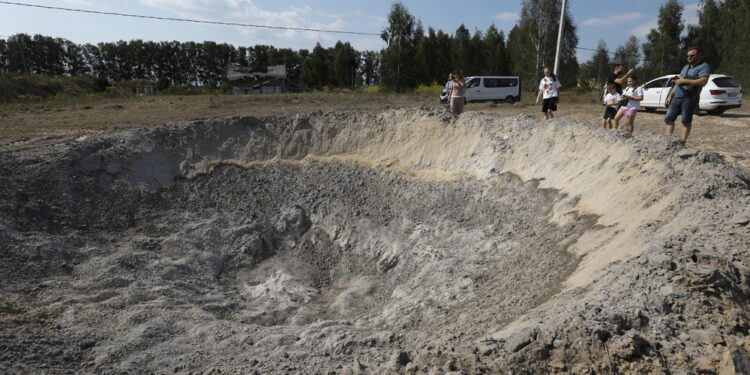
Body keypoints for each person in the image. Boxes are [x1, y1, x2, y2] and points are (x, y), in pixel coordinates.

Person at [664, 47, 711, 143]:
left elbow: (703, 81)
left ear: (699, 55)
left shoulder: (704, 66)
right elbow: (678, 82)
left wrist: (685, 80)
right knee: (668, 119)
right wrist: (670, 96)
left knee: (685, 121)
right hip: (677, 97)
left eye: (692, 55)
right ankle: (667, 141)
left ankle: (682, 142)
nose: (689, 58)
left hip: (690, 98)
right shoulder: (685, 67)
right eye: (688, 56)